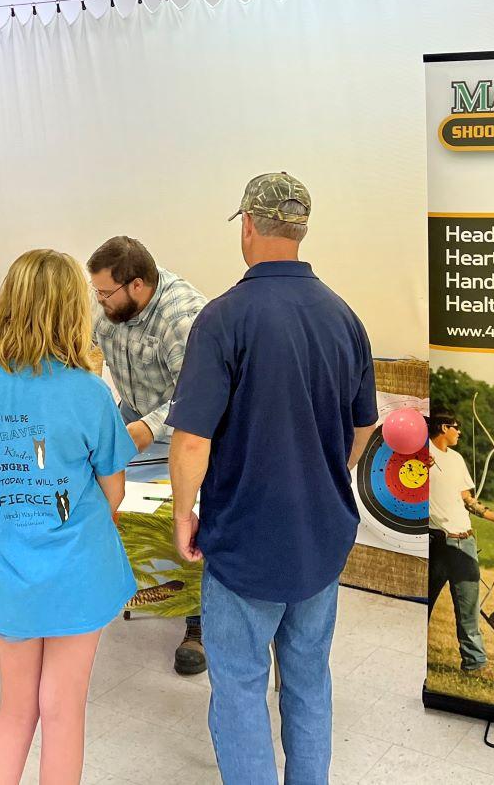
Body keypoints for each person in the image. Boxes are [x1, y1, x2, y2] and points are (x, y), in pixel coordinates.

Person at [168, 173, 377, 785]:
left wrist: (185, 515)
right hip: (321, 538)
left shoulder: (223, 318)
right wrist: (323, 469)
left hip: (244, 541)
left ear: (250, 226)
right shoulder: (344, 316)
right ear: (301, 230)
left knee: (237, 687)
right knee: (309, 676)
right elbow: (365, 429)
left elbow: (190, 440)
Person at [0, 249, 138, 785]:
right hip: (79, 571)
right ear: (73, 311)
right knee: (63, 710)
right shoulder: (91, 393)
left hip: (8, 573)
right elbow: (113, 492)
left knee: (14, 710)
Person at [86, 235, 209, 676]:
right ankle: (118, 588)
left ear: (137, 285)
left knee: (191, 514)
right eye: (95, 291)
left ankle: (198, 623)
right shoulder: (112, 304)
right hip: (133, 419)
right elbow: (87, 357)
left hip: (189, 430)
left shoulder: (183, 318)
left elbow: (199, 395)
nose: (98, 301)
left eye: (105, 293)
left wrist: (149, 428)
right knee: (100, 498)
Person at [426, 414, 494, 674]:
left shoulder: (456, 458)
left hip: (465, 542)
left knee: (468, 609)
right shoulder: (419, 453)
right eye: (456, 428)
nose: (459, 433)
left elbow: (467, 498)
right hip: (437, 543)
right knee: (423, 604)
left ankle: (474, 664)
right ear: (443, 428)